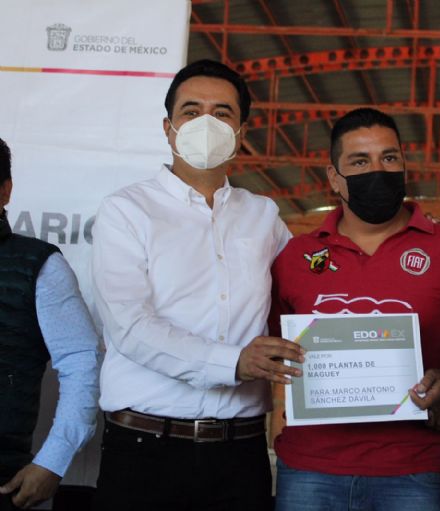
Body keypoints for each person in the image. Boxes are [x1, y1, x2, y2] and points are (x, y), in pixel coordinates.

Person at [90, 60, 305, 511]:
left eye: (223, 113)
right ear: (168, 129)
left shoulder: (263, 215)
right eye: (191, 111)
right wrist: (234, 363)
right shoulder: (126, 211)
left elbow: (307, 294)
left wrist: (383, 235)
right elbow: (129, 325)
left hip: (240, 454)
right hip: (146, 449)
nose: (206, 123)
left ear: (241, 132)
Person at [268, 107, 440, 511]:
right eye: (360, 161)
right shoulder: (296, 256)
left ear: (404, 164)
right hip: (309, 469)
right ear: (334, 177)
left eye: (389, 158)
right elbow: (272, 352)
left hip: (410, 471)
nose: (378, 170)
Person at [0, 138, 100, 510]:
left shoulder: (39, 265)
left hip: (6, 480)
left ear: (5, 191)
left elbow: (82, 362)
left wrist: (51, 461)